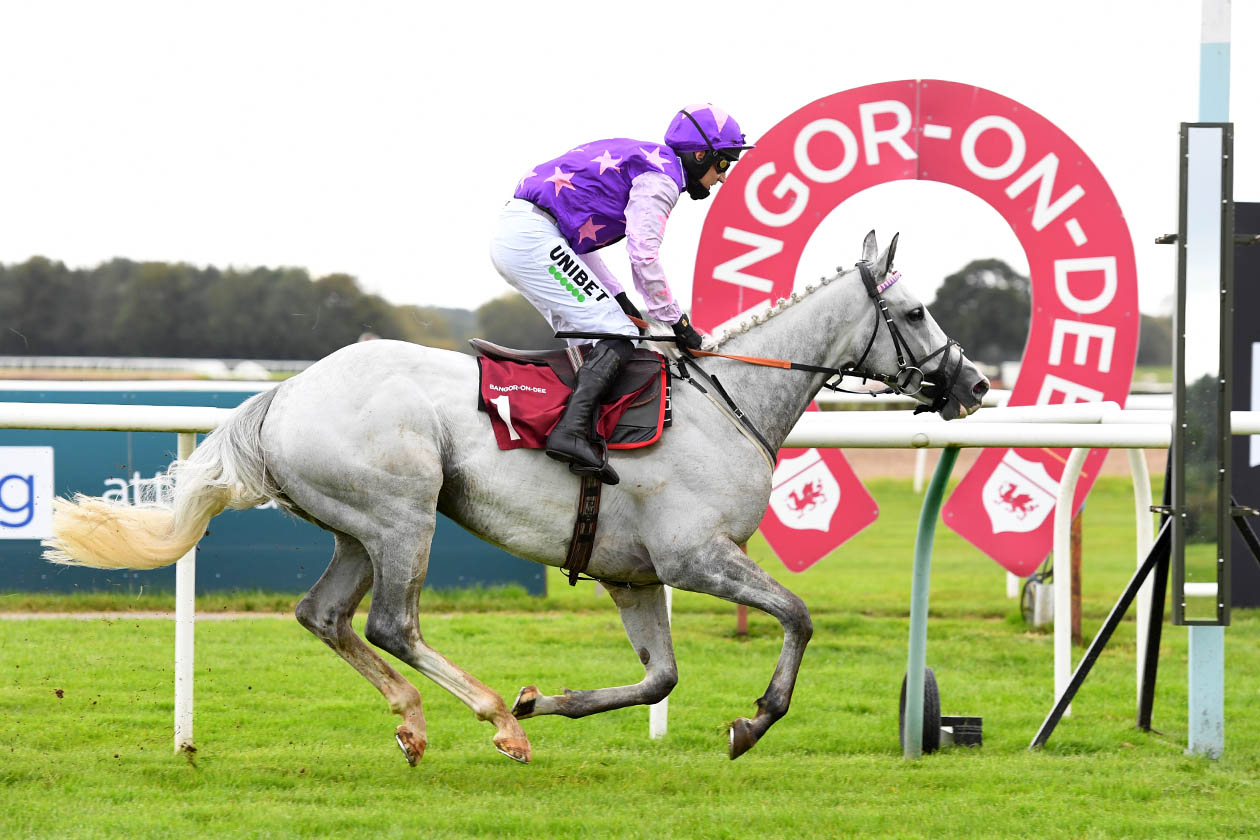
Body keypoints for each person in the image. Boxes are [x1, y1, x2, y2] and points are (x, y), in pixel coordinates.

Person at [489, 104, 753, 485]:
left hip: (531, 234)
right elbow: (643, 254)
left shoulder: (649, 160)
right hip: (532, 239)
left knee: (598, 336)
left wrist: (619, 297)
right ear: (700, 155)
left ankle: (577, 430)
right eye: (723, 163)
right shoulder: (663, 178)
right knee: (620, 334)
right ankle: (571, 432)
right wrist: (678, 322)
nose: (722, 176)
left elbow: (577, 238)